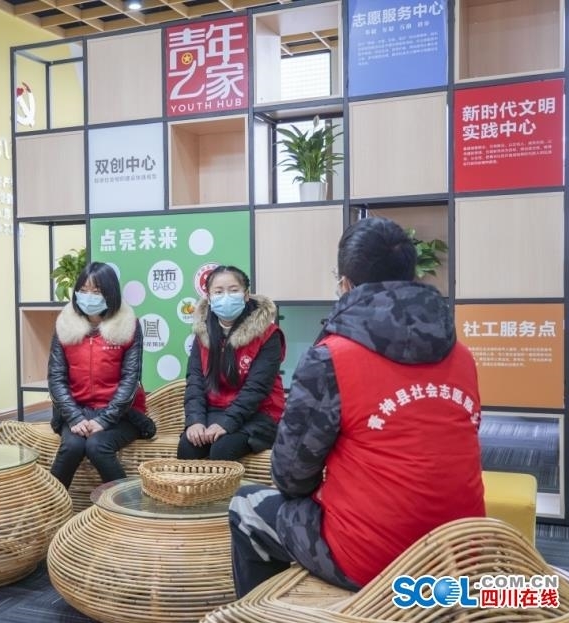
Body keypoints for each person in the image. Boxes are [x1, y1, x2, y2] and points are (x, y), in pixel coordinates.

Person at [228, 217, 485, 596]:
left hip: (374, 559)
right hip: (463, 551)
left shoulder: (330, 358)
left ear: (346, 284)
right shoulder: (462, 355)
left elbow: (290, 476)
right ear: (412, 277)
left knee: (246, 505)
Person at [48, 261, 155, 489]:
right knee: (73, 446)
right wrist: (75, 418)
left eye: (97, 291)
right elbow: (56, 378)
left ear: (110, 293)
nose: (89, 296)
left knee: (97, 446)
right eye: (83, 290)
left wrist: (104, 420)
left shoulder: (128, 326)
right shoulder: (64, 326)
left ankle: (126, 508)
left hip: (122, 414)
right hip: (76, 412)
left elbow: (130, 380)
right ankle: (50, 507)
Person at [177, 265, 285, 461]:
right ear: (209, 298)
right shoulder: (202, 333)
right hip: (215, 410)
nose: (226, 296)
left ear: (245, 295)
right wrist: (195, 421)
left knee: (222, 449)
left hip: (259, 414)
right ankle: (196, 493)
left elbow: (257, 389)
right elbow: (195, 382)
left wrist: (227, 424)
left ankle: (237, 493)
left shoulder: (268, 334)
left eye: (233, 290)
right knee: (188, 447)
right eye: (218, 292)